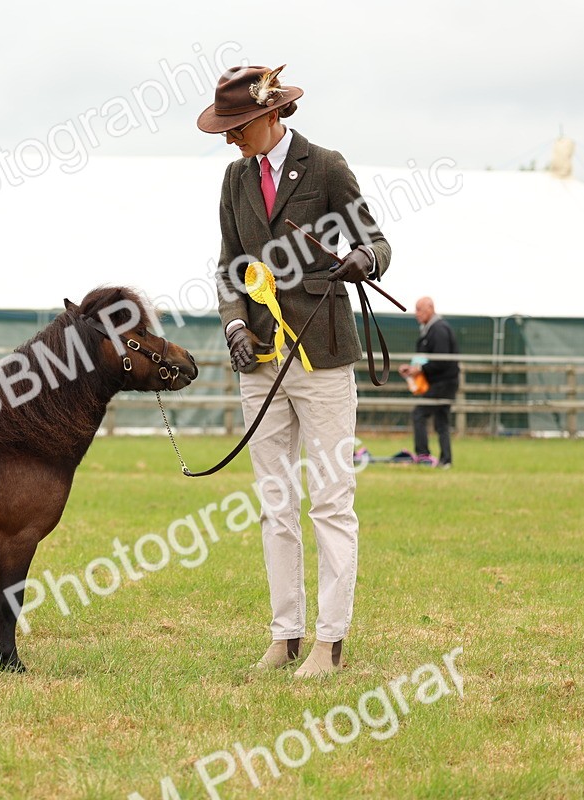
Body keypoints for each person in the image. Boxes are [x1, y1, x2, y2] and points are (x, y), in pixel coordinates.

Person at [198, 64, 391, 677]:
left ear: (268, 116)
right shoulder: (234, 179)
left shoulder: (327, 166)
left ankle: (330, 643)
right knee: (274, 504)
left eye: (237, 127)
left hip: (323, 355)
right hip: (258, 360)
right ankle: (285, 636)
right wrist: (233, 324)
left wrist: (362, 258)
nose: (230, 138)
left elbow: (378, 242)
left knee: (331, 501)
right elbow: (230, 267)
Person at [399, 297, 459, 469]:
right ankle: (445, 461)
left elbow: (441, 360)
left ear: (430, 308)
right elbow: (426, 359)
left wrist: (420, 369)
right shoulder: (429, 329)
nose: (416, 313)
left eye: (419, 309)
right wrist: (413, 369)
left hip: (444, 383)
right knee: (442, 421)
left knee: (419, 413)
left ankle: (423, 455)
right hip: (441, 382)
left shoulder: (438, 329)